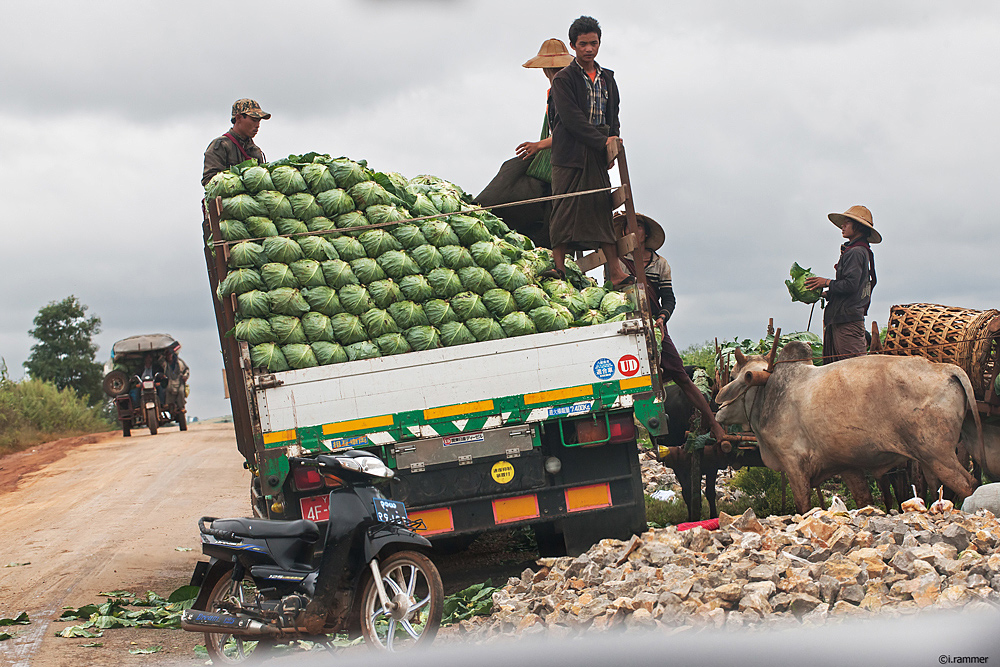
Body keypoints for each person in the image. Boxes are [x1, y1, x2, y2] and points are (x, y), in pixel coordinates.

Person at [610, 213, 729, 444]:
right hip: (624, 328)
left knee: (682, 378)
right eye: (627, 227)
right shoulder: (617, 262)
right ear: (623, 232)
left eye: (639, 226)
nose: (633, 230)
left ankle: (714, 424)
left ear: (646, 233)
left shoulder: (660, 264)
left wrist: (662, 318)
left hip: (655, 327)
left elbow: (669, 299)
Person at [547, 16, 630, 287]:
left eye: (593, 43)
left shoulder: (607, 78)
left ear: (599, 44)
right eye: (583, 44)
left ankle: (616, 271)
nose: (588, 49)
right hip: (569, 154)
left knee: (600, 207)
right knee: (563, 208)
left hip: (595, 154)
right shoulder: (564, 79)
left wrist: (612, 137)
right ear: (573, 46)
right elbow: (571, 120)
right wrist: (601, 141)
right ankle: (559, 267)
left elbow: (612, 114)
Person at [804, 205, 880, 363]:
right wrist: (825, 293)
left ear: (858, 227)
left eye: (847, 223)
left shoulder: (856, 252)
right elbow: (851, 287)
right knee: (836, 370)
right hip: (840, 319)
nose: (843, 226)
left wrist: (825, 282)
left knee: (854, 369)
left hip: (847, 321)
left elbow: (851, 285)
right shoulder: (855, 250)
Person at [514, 38, 574, 165]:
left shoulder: (565, 92)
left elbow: (568, 133)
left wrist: (539, 145)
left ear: (545, 70)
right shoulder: (554, 92)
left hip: (569, 158)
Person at [201, 98, 271, 186]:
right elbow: (209, 180)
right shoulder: (221, 145)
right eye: (254, 120)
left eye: (259, 121)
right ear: (238, 118)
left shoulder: (255, 150)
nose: (257, 125)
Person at [162, 347, 190, 413]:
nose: (169, 356)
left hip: (179, 381)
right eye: (167, 355)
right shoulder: (165, 364)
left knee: (180, 392)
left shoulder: (179, 363)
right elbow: (160, 361)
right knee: (167, 390)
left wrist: (185, 376)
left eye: (170, 354)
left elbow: (186, 370)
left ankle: (181, 406)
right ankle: (168, 405)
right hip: (170, 381)